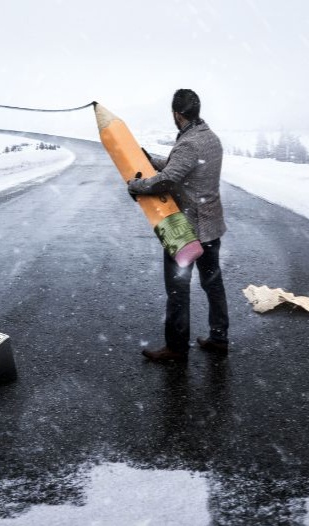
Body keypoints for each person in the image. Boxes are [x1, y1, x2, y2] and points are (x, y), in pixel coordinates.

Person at [127, 89, 229, 362]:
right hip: (211, 227)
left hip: (186, 231)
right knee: (213, 284)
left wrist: (136, 186)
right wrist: (151, 159)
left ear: (176, 114)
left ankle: (176, 348)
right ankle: (219, 338)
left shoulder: (188, 143)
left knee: (177, 290)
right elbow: (182, 166)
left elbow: (167, 181)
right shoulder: (209, 138)